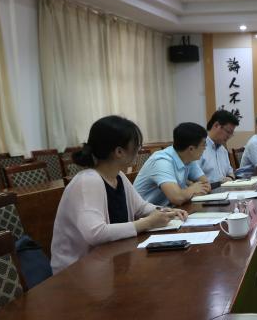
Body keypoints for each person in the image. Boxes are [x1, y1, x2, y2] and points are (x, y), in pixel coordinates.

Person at [51, 116, 187, 272]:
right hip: (77, 270)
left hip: (110, 261)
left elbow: (141, 207)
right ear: (119, 152)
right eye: (136, 146)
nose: (139, 150)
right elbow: (95, 233)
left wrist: (167, 212)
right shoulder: (88, 181)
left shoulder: (118, 176)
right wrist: (147, 223)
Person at [133, 123, 210, 206]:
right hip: (144, 212)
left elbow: (206, 185)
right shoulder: (162, 161)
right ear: (191, 149)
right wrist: (192, 189)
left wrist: (188, 192)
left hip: (166, 209)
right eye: (203, 144)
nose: (205, 148)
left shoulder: (189, 158)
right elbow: (177, 198)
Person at [200, 109, 239, 184]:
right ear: (216, 125)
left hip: (225, 189)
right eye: (228, 132)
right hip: (208, 189)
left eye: (231, 133)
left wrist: (230, 177)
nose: (229, 136)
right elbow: (192, 179)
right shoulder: (199, 148)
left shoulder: (223, 150)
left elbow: (230, 172)